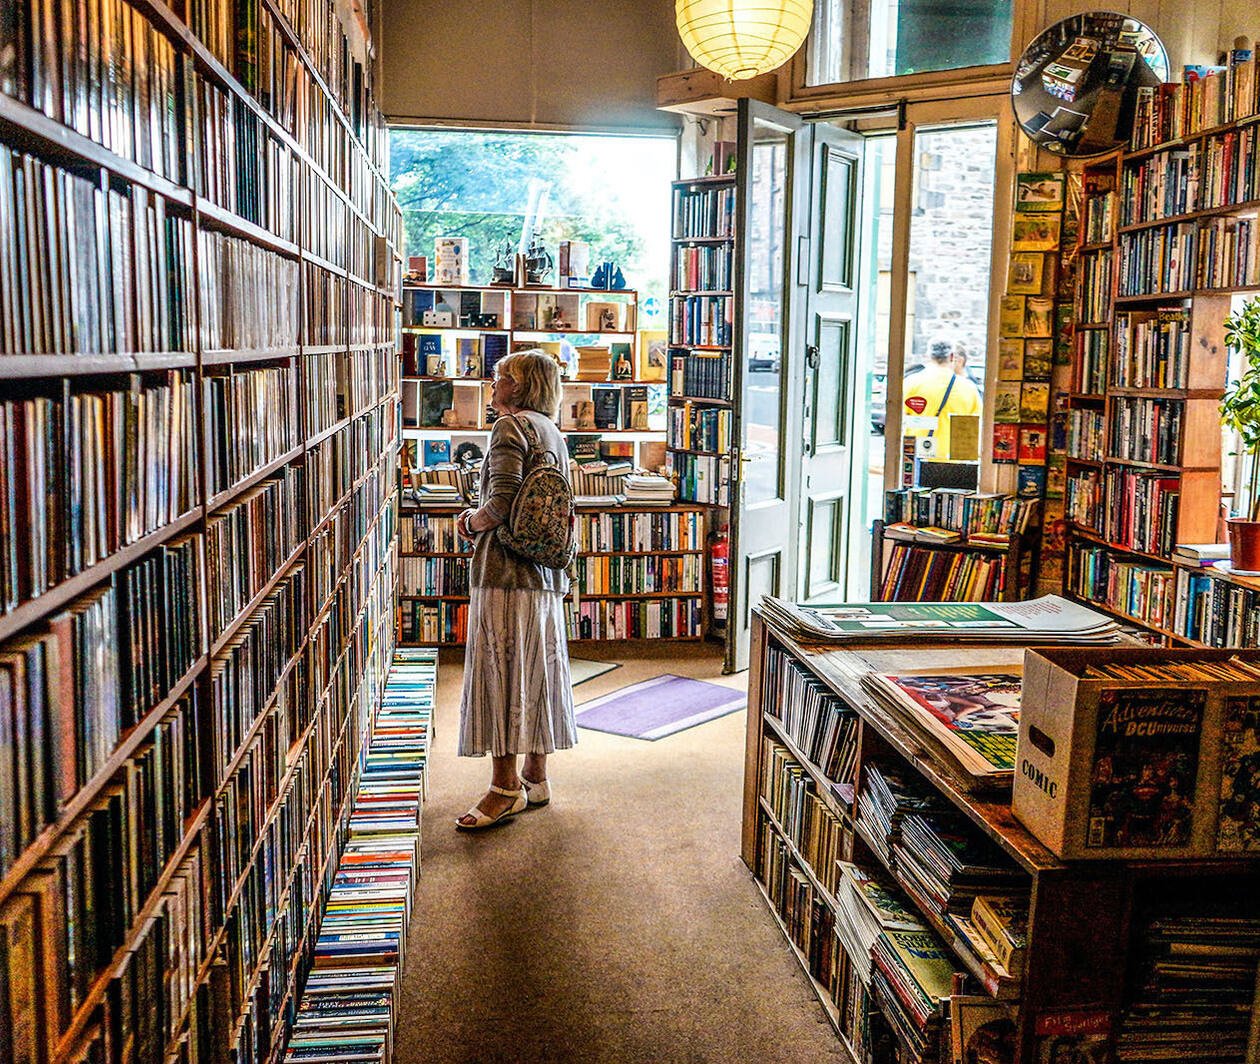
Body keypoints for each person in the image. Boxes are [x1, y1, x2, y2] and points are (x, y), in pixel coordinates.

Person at [454, 350, 577, 830]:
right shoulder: (552, 432)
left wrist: (469, 522)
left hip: (505, 573)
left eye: (502, 376)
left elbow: (500, 504)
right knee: (537, 671)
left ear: (521, 386)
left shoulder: (508, 428)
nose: (493, 381)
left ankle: (504, 789)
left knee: (499, 674)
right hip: (544, 572)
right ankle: (536, 776)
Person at [901, 337, 981, 459]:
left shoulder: (911, 383)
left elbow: (898, 421)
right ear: (952, 356)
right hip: (953, 461)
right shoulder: (968, 388)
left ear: (928, 355)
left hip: (916, 457)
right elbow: (974, 430)